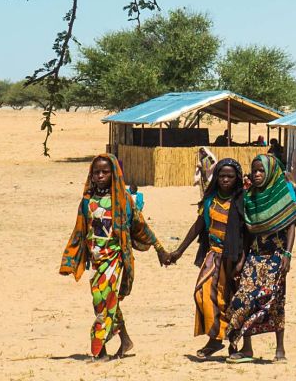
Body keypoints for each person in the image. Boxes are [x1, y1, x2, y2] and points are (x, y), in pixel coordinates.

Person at [59, 154, 170, 360]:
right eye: (96, 172)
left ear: (114, 175)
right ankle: (125, 340)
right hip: (96, 260)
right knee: (105, 302)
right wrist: (70, 262)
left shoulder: (123, 201)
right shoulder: (87, 202)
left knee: (102, 301)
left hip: (115, 259)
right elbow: (79, 233)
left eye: (105, 172)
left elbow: (141, 225)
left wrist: (159, 248)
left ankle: (99, 350)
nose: (100, 175)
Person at [225, 154, 296, 363]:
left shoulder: (280, 192)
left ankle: (280, 349)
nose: (257, 174)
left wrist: (287, 253)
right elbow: (248, 232)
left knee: (275, 300)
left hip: (276, 255)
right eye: (255, 170)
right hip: (255, 255)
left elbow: (291, 223)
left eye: (261, 171)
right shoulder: (250, 196)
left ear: (269, 172)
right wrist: (241, 260)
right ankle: (247, 348)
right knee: (245, 298)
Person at [167, 158, 246, 359]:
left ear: (237, 178)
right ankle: (215, 338)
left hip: (234, 259)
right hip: (213, 256)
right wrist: (179, 251)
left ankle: (231, 342)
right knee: (202, 295)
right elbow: (198, 226)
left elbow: (248, 234)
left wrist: (242, 260)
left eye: (230, 176)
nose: (225, 180)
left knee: (229, 300)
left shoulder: (242, 201)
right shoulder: (210, 200)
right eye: (222, 175)